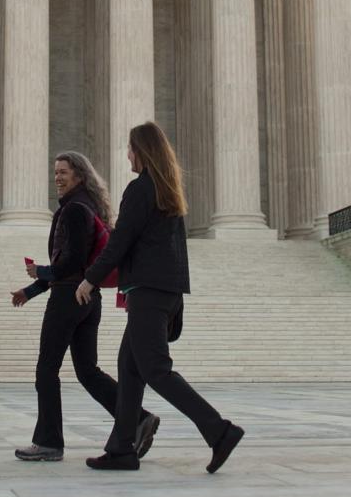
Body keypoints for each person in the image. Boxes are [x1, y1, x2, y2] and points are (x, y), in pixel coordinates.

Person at [77, 121, 243, 474]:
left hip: (147, 292)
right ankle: (121, 448)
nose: (127, 155)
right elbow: (176, 252)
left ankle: (219, 430)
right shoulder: (168, 191)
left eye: (130, 148)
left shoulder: (140, 190)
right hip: (164, 292)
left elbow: (120, 241)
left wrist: (90, 279)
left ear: (142, 151)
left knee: (156, 370)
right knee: (130, 368)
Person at [11, 151, 154, 463]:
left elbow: (71, 263)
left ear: (79, 174)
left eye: (63, 172)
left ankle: (48, 442)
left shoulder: (75, 210)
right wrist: (31, 290)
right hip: (88, 299)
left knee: (46, 369)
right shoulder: (88, 207)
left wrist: (42, 273)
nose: (57, 178)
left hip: (68, 299)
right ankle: (138, 417)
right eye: (56, 172)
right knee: (87, 371)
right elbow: (77, 263)